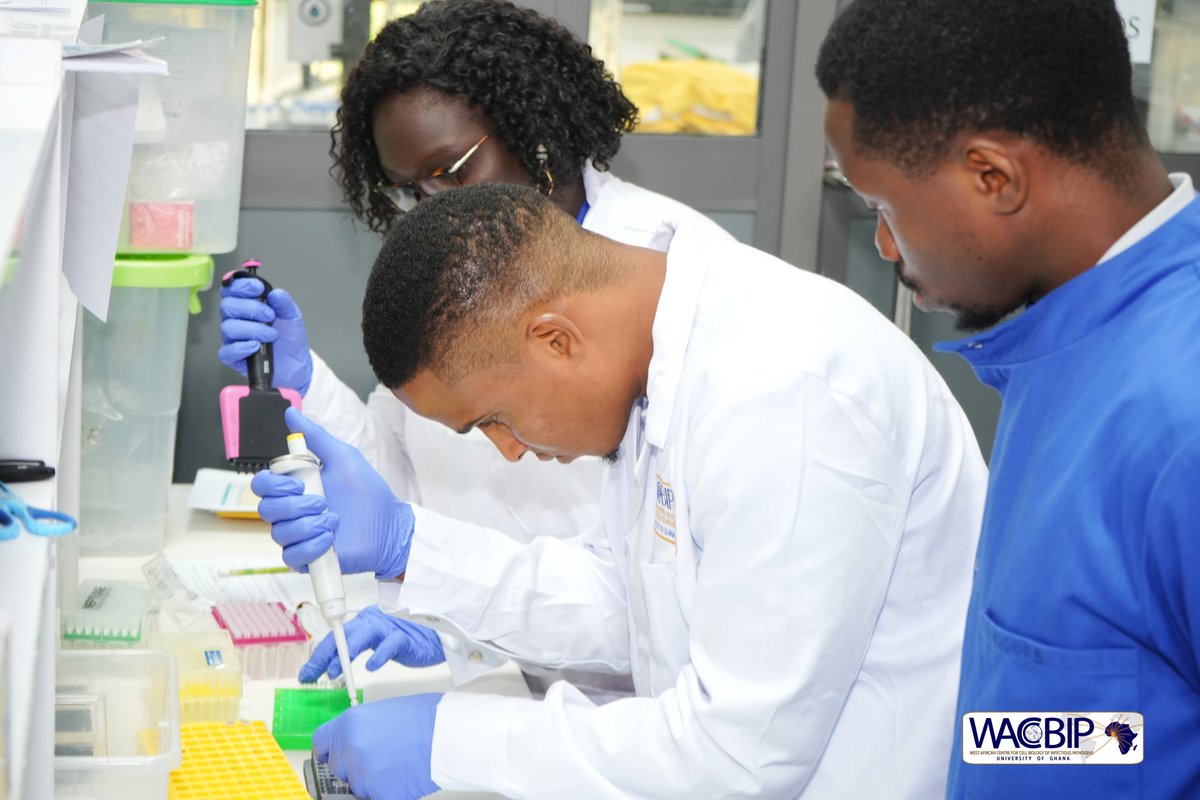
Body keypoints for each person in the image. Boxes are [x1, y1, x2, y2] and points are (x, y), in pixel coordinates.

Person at [253, 183, 988, 799]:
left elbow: (738, 755)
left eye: (494, 420)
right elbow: (637, 601)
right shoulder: (658, 367)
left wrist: (453, 739)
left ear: (555, 340)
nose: (508, 451)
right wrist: (414, 546)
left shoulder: (785, 393)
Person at [217, 0, 734, 696]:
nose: (431, 208)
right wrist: (308, 386)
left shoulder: (652, 285)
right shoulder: (465, 280)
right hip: (511, 672)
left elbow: (640, 609)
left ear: (533, 130)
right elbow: (404, 477)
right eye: (405, 191)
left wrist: (450, 607)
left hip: (620, 712)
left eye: (452, 170)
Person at [816, 1, 1200, 796]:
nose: (884, 246)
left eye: (883, 207)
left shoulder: (1178, 415)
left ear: (994, 177)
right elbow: (1105, 724)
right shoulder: (1076, 340)